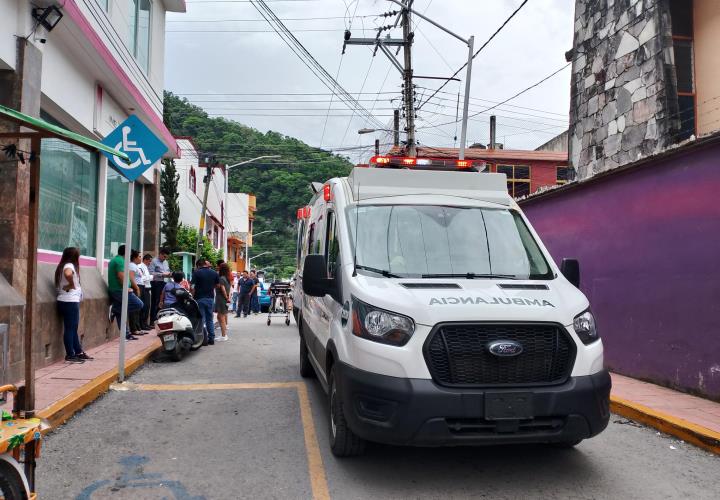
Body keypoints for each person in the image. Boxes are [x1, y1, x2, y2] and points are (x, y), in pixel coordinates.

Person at [55, 247, 93, 363]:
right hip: (69, 301)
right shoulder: (69, 266)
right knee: (70, 329)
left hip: (67, 301)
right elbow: (68, 274)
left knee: (72, 328)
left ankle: (78, 352)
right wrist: (71, 284)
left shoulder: (63, 265)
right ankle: (70, 354)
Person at [108, 245, 143, 340]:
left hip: (117, 290)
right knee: (139, 304)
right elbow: (120, 276)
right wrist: (126, 287)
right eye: (130, 254)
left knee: (120, 313)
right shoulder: (119, 261)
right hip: (120, 290)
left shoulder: (116, 260)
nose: (131, 256)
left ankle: (126, 335)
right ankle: (115, 309)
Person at [191, 259, 220, 345]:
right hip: (210, 298)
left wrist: (192, 294)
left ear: (198, 265)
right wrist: (210, 287)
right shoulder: (214, 273)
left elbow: (192, 286)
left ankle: (203, 339)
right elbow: (218, 285)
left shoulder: (196, 273)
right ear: (205, 264)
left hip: (199, 298)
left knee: (201, 319)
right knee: (210, 319)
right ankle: (211, 338)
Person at [127, 250, 147, 336]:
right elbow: (131, 278)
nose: (141, 258)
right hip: (136, 287)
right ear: (134, 258)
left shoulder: (136, 266)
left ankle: (138, 327)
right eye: (139, 257)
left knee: (139, 308)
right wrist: (137, 288)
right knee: (135, 309)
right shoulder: (131, 265)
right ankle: (134, 329)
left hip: (140, 286)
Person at [149, 248, 171, 322]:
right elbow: (150, 273)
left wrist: (169, 274)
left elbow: (167, 271)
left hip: (164, 283)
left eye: (166, 257)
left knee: (162, 301)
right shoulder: (154, 261)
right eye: (164, 256)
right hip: (156, 283)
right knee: (155, 301)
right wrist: (161, 274)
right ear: (160, 254)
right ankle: (153, 319)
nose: (165, 258)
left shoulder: (166, 262)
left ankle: (160, 318)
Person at [215, 263, 232, 341]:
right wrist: (228, 298)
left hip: (222, 299)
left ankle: (224, 336)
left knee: (221, 318)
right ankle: (223, 335)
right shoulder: (227, 278)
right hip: (225, 299)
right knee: (220, 316)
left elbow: (223, 289)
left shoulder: (221, 278)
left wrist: (226, 297)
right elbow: (229, 289)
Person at [138, 254, 153, 330]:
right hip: (143, 288)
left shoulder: (146, 267)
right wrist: (151, 277)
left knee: (147, 307)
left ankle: (145, 323)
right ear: (145, 260)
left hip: (147, 288)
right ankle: (142, 324)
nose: (150, 263)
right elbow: (142, 278)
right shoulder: (140, 267)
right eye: (149, 261)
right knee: (144, 307)